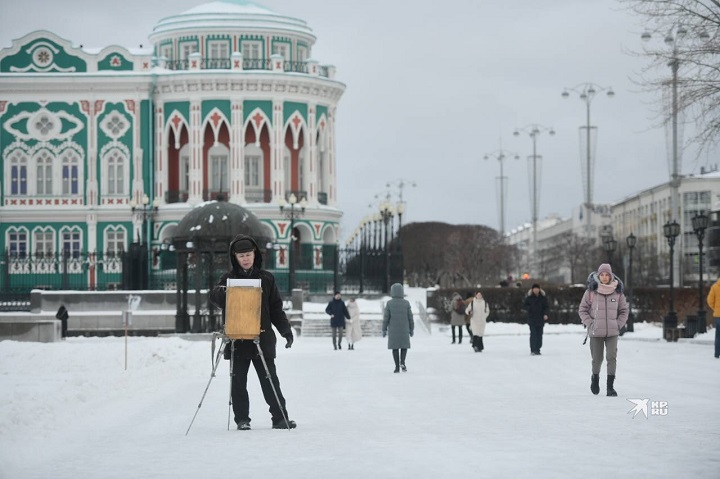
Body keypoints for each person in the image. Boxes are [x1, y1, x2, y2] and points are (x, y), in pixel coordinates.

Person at [209, 234, 296, 430]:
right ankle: (242, 419)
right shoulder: (228, 279)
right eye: (242, 256)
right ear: (235, 258)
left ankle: (280, 418)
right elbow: (215, 296)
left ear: (255, 255)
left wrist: (286, 331)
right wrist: (224, 292)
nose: (246, 259)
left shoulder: (266, 278)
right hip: (238, 339)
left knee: (270, 380)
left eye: (248, 254)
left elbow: (275, 308)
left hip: (262, 338)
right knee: (238, 382)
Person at [578, 263, 628, 397]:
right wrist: (590, 323)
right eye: (602, 275)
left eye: (607, 275)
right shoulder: (591, 292)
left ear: (611, 276)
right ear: (598, 276)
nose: (605, 277)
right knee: (597, 359)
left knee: (611, 357)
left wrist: (618, 324)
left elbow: (624, 310)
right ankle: (595, 378)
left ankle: (610, 387)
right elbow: (582, 310)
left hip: (612, 332)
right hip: (596, 331)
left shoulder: (617, 292)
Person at [382, 283, 414, 373]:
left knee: (394, 348)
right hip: (404, 329)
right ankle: (402, 362)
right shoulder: (406, 303)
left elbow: (386, 318)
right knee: (404, 346)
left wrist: (384, 329)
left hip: (393, 330)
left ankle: (396, 367)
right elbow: (410, 317)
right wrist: (411, 329)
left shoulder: (389, 303)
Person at [523, 283, 549, 355]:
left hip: (540, 319)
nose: (536, 290)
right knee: (533, 334)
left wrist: (546, 314)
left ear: (539, 289)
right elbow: (525, 306)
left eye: (537, 289)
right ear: (532, 290)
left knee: (539, 335)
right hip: (532, 319)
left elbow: (546, 307)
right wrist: (530, 309)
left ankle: (538, 348)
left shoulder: (543, 298)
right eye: (534, 289)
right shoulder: (529, 298)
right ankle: (533, 349)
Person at [705, 276, 720, 359]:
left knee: (718, 335)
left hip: (718, 315)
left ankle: (717, 353)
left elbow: (710, 300)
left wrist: (715, 308)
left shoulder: (714, 287)